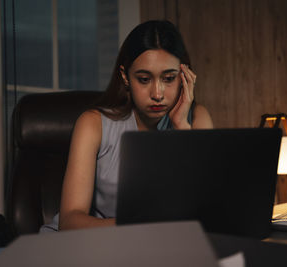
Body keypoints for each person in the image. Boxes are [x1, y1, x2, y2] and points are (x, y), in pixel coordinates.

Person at [40, 20, 213, 232]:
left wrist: (181, 129)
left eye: (169, 79)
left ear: (184, 77)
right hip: (87, 246)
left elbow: (206, 211)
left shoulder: (196, 119)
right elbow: (70, 222)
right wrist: (145, 227)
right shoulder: (93, 124)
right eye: (143, 79)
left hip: (157, 248)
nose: (157, 94)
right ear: (125, 77)